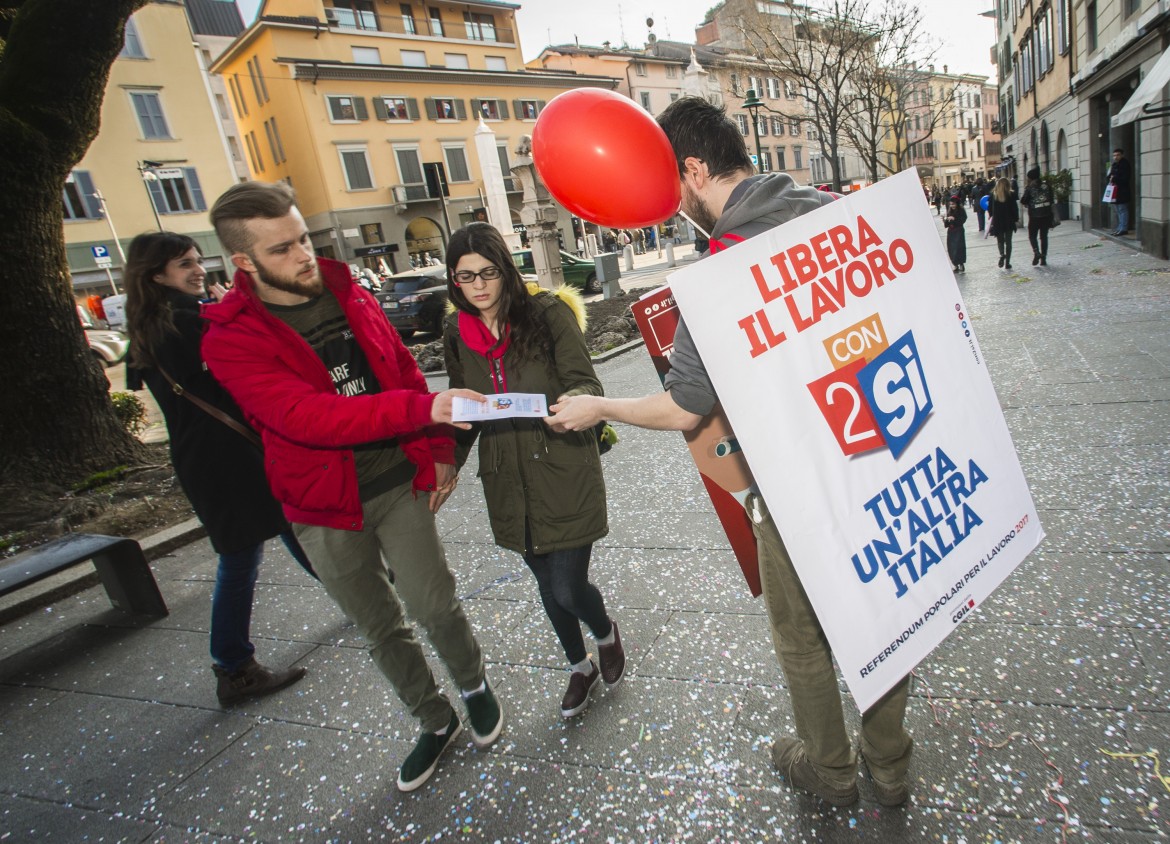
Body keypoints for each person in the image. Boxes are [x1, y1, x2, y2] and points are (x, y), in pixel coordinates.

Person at [544, 97, 912, 808]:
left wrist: (598, 406)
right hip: (887, 450)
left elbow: (686, 405)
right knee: (890, 607)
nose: (674, 210)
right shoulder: (841, 211)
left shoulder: (721, 269)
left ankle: (830, 770)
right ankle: (890, 763)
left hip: (796, 478)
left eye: (671, 189)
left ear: (693, 168)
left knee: (801, 632)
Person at [200, 181, 502, 794]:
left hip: (396, 482)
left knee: (433, 604)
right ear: (243, 262)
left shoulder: (346, 288)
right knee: (379, 625)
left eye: (303, 238)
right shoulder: (230, 338)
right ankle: (432, 718)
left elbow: (403, 368)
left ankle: (472, 685)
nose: (303, 255)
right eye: (282, 249)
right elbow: (307, 418)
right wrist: (426, 410)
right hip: (321, 507)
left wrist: (439, 444)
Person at [442, 222, 625, 719]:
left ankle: (606, 633)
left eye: (488, 272)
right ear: (453, 281)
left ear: (506, 269)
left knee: (567, 585)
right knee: (546, 586)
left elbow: (584, 381)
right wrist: (448, 463)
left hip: (560, 461)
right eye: (465, 277)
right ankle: (578, 666)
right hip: (506, 474)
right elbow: (463, 407)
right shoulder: (457, 332)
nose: (478, 285)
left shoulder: (547, 315)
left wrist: (565, 405)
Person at [123, 231, 312, 706]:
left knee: (289, 525)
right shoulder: (188, 320)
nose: (197, 268)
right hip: (225, 457)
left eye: (196, 259)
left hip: (210, 456)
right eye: (184, 264)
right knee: (242, 557)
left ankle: (366, 594)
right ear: (156, 274)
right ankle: (234, 667)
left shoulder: (149, 325)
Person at [1020, 167, 1054, 266]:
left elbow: (1023, 200)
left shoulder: (1030, 188)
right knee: (1044, 237)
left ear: (1030, 178)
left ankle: (1036, 252)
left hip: (1034, 216)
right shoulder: (1046, 185)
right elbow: (1051, 199)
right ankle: (1043, 258)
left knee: (1032, 236)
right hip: (1047, 215)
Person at [987, 177, 1019, 270]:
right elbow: (1014, 208)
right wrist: (1016, 219)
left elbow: (990, 209)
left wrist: (991, 216)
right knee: (1008, 242)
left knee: (1000, 241)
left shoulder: (993, 195)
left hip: (998, 221)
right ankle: (1007, 263)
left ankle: (1002, 254)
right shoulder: (1011, 194)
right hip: (1009, 221)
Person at [1107, 148, 1131, 236]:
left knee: (1122, 209)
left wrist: (1114, 178)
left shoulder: (1124, 164)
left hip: (1122, 191)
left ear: (1122, 155)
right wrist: (1111, 177)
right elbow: (1109, 175)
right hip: (1115, 192)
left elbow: (1125, 178)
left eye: (1117, 155)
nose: (1115, 157)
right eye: (1114, 155)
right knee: (1118, 210)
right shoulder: (1114, 165)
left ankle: (1123, 228)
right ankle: (1120, 227)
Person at [944, 195, 967, 273]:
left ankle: (961, 263)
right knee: (951, 249)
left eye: (953, 204)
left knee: (959, 248)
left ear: (957, 204)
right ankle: (955, 264)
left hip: (959, 231)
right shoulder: (949, 211)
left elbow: (963, 220)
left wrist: (954, 219)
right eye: (951, 204)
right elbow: (946, 224)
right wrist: (945, 220)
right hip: (951, 232)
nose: (952, 206)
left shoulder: (961, 210)